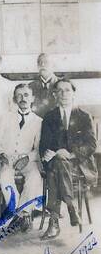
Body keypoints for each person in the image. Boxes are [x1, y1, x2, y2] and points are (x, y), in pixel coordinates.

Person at [40, 79, 98, 240]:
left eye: (67, 90)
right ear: (54, 95)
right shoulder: (49, 117)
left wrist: (71, 154)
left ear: (73, 94)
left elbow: (91, 145)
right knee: (58, 164)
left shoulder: (84, 116)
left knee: (55, 171)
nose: (63, 94)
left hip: (79, 163)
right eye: (59, 90)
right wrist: (55, 152)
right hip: (56, 159)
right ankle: (71, 207)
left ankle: (54, 222)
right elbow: (44, 145)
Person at [0, 84, 43, 232]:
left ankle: (24, 212)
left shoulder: (38, 121)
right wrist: (1, 154)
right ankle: (19, 213)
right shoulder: (5, 118)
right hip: (8, 158)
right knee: (4, 177)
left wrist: (27, 158)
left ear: (32, 98)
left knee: (35, 176)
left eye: (26, 95)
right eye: (19, 95)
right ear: (15, 99)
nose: (23, 98)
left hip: (27, 159)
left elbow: (38, 148)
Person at [29, 53, 60, 118]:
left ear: (53, 65)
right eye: (39, 62)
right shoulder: (30, 87)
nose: (42, 65)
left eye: (46, 62)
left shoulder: (61, 84)